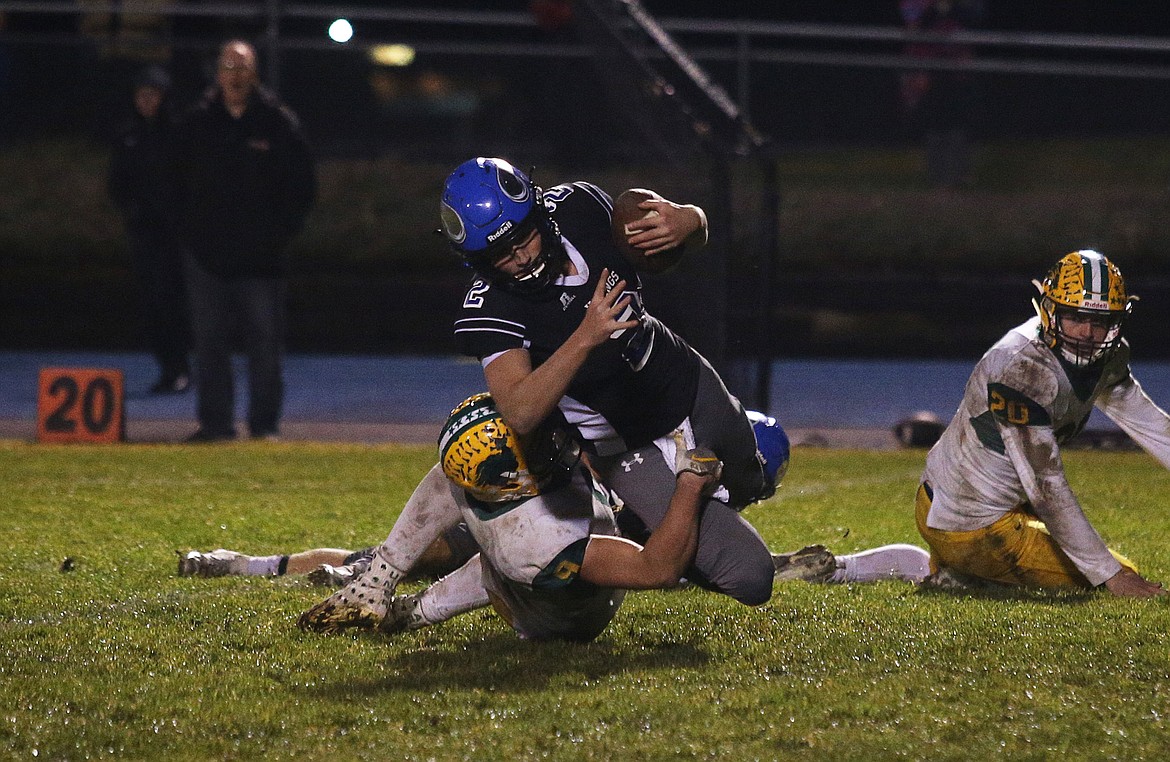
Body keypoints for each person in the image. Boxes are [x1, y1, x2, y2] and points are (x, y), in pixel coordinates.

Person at [437, 157, 776, 609]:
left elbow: (691, 227)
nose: (519, 257)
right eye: (501, 253)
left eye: (522, 237)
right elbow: (520, 411)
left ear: (539, 213)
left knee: (753, 481)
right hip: (629, 447)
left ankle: (662, 523)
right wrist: (586, 336)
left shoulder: (583, 207)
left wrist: (689, 220)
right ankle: (643, 525)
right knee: (752, 578)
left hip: (691, 386)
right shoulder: (490, 307)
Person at [296, 395, 931, 636]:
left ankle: (395, 597)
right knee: (501, 565)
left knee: (485, 540)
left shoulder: (490, 482)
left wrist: (384, 570)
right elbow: (657, 569)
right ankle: (403, 600)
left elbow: (447, 481)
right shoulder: (540, 537)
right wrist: (688, 485)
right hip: (550, 605)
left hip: (523, 553)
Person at [916, 250, 1170, 597]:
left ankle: (851, 568)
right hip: (974, 522)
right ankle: (966, 573)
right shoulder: (1023, 368)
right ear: (1050, 310)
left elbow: (1155, 427)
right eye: (1075, 317)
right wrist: (1110, 575)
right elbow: (1045, 487)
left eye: (1101, 322)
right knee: (1122, 574)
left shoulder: (1108, 355)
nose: (1087, 333)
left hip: (946, 501)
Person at [173, 39, 316, 442]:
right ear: (217, 74)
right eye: (229, 67)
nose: (236, 76)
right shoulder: (196, 123)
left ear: (255, 74)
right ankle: (215, 425)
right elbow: (173, 184)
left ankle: (264, 425)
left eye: (243, 67)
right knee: (209, 346)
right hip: (206, 257)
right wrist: (190, 233)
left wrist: (279, 235)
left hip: (262, 260)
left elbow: (302, 186)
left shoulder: (278, 123)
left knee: (266, 348)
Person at [107, 63, 191, 394]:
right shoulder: (128, 134)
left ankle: (180, 366)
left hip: (174, 233)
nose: (146, 101)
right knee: (151, 304)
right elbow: (118, 182)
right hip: (144, 231)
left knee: (171, 299)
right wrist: (131, 210)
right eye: (141, 94)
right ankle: (167, 367)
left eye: (153, 94)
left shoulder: (178, 133)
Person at [898, 0, 985, 189]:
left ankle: (959, 174)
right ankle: (938, 177)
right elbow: (910, 20)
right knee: (933, 120)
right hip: (926, 63)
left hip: (956, 64)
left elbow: (975, 16)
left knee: (959, 118)